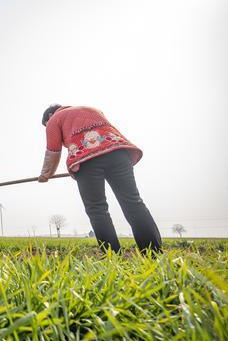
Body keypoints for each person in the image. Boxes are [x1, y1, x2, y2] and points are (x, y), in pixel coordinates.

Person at [38, 104, 162, 254]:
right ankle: (154, 253)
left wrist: (46, 175)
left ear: (50, 115)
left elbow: (53, 151)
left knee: (97, 209)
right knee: (133, 202)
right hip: (118, 153)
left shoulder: (54, 120)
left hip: (87, 159)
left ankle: (113, 257)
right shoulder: (92, 109)